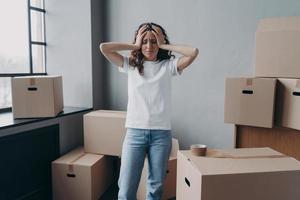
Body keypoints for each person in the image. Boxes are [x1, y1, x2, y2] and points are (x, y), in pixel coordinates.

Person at [100, 22, 198, 200]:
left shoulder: (168, 66)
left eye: (154, 42)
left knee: (156, 189)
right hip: (134, 133)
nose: (149, 46)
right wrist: (134, 45)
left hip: (161, 135)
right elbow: (104, 48)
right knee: (125, 190)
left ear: (160, 43)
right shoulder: (130, 65)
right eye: (145, 41)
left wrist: (164, 44)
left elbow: (193, 52)